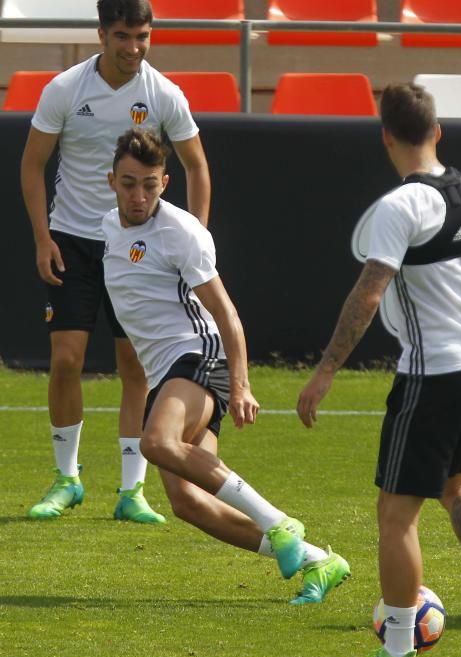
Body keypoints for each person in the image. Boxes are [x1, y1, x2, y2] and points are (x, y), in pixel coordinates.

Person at [297, 83, 461, 657]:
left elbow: (369, 294)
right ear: (437, 131)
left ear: (386, 136)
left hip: (432, 377)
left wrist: (327, 368)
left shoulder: (397, 208)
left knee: (394, 515)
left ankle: (399, 654)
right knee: (456, 486)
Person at [101, 126, 351, 603]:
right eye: (130, 183)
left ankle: (279, 523)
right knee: (188, 503)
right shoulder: (106, 227)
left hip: (199, 356)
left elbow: (227, 315)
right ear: (111, 181)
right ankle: (319, 559)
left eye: (150, 184)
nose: (139, 195)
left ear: (165, 184)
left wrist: (241, 386)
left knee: (156, 442)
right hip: (166, 373)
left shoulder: (182, 233)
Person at [21, 0, 210, 523]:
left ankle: (131, 492)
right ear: (101, 34)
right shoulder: (64, 89)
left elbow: (196, 165)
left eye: (142, 37)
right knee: (65, 361)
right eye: (123, 36)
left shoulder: (163, 93)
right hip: (73, 241)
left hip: (137, 246)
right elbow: (32, 164)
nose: (134, 48)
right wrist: (43, 237)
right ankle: (68, 479)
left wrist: (194, 238)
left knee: (135, 367)